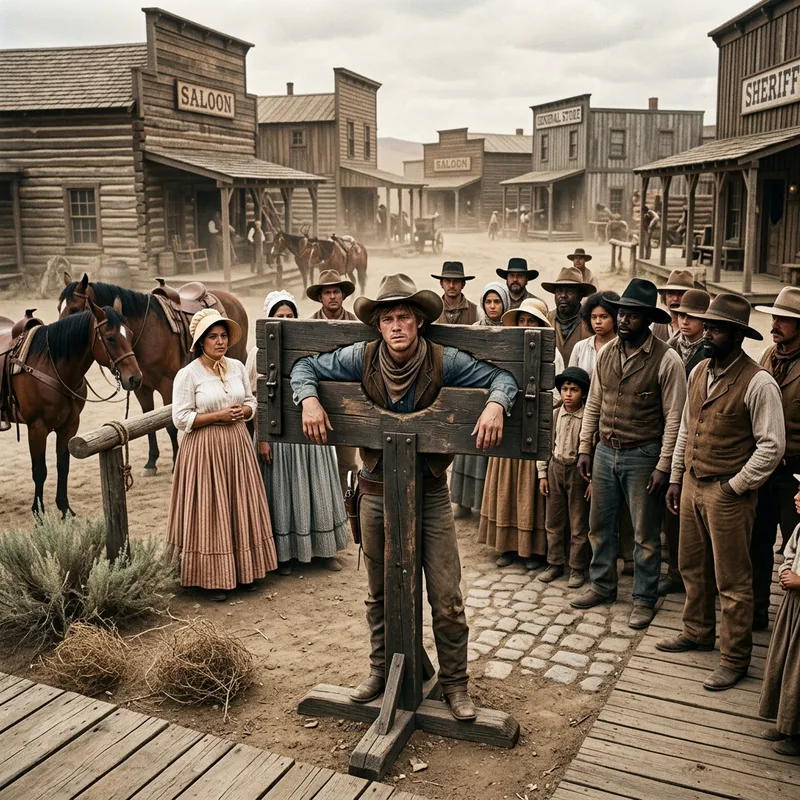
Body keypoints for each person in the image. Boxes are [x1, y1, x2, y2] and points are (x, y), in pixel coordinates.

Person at [290, 273, 518, 720]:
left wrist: (496, 404)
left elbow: (503, 376)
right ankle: (381, 670)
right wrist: (308, 400)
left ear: (419, 323)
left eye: (405, 318)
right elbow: (302, 365)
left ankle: (454, 683)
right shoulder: (362, 357)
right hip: (374, 488)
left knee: (447, 596)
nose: (397, 326)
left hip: (430, 493)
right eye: (389, 318)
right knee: (379, 592)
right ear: (379, 326)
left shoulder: (443, 361)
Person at [657, 294, 783, 691]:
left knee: (733, 581)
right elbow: (684, 429)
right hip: (694, 483)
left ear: (737, 335)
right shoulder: (699, 372)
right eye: (706, 326)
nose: (706, 333)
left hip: (728, 495)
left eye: (715, 328)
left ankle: (734, 657)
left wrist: (736, 486)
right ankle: (697, 631)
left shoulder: (759, 382)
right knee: (692, 567)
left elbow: (772, 446)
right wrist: (678, 476)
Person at [572, 279, 686, 630]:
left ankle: (643, 599)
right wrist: (585, 448)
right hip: (605, 451)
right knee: (599, 526)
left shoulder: (668, 361)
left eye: (632, 315)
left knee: (645, 535)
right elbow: (594, 403)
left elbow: (675, 420)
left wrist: (664, 466)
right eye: (621, 312)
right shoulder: (606, 353)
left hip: (644, 455)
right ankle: (603, 585)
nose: (623, 320)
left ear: (648, 320)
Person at [168, 309, 278, 602]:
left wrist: (245, 411)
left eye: (223, 336)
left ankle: (244, 571)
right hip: (205, 449)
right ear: (201, 342)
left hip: (237, 444)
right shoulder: (188, 375)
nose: (220, 341)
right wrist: (217, 415)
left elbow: (252, 401)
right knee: (210, 508)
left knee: (239, 504)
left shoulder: (237, 367)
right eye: (213, 337)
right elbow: (180, 418)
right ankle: (212, 578)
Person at [249, 292, 349, 576]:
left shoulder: (307, 345)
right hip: (277, 435)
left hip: (309, 433)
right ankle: (285, 555)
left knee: (318, 489)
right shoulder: (256, 353)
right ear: (269, 318)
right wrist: (263, 438)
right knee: (282, 493)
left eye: (289, 317)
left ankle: (324, 550)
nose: (284, 321)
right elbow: (253, 398)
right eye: (278, 317)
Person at [479, 299, 561, 570]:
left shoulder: (553, 354)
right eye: (522, 321)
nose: (526, 326)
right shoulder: (505, 350)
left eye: (532, 321)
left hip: (534, 430)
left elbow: (559, 393)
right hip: (509, 425)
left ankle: (532, 550)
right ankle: (506, 546)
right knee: (505, 489)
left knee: (530, 491)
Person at [751, 287, 800, 630]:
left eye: (785, 319)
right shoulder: (768, 356)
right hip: (764, 466)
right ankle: (756, 614)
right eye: (775, 317)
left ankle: (791, 624)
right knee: (757, 540)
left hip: (796, 474)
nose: (776, 324)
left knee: (794, 547)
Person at [658, 288, 711, 597]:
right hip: (670, 434)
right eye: (679, 315)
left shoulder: (711, 351)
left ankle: (704, 579)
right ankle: (676, 573)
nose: (683, 321)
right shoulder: (669, 347)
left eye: (691, 316)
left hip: (697, 437)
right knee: (672, 512)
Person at [450, 282, 511, 517]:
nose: (492, 306)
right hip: (474, 397)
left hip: (498, 398)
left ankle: (487, 506)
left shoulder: (510, 329)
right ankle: (463, 503)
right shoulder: (474, 329)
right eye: (488, 302)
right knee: (468, 450)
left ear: (504, 303)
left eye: (497, 301)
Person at [537, 366, 592, 588]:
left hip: (578, 472)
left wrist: (592, 480)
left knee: (578, 522)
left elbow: (594, 449)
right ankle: (554, 562)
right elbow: (545, 446)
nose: (568, 394)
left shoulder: (588, 417)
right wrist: (543, 474)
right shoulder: (555, 415)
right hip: (556, 468)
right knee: (554, 520)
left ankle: (578, 567)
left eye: (574, 390)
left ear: (584, 393)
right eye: (565, 389)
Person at [759, 480, 800, 756]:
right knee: (785, 663)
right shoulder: (799, 528)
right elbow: (790, 553)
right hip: (792, 609)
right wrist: (787, 571)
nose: (795, 496)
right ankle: (785, 722)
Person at [542, 266, 595, 364]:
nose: (563, 295)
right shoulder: (547, 320)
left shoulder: (590, 322)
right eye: (559, 291)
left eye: (570, 291)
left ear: (580, 296)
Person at [569, 290, 620, 375]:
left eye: (603, 317)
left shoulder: (623, 347)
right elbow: (571, 377)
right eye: (593, 317)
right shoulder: (580, 347)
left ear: (615, 318)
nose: (598, 321)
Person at [652, 269, 695, 341]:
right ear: (664, 297)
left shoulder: (697, 327)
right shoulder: (655, 325)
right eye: (671, 293)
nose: (675, 298)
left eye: (681, 294)